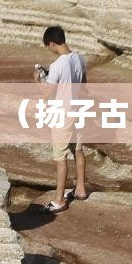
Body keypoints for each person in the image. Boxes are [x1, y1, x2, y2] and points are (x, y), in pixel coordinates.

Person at [34, 24, 87, 212]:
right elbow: (83, 85)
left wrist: (38, 80)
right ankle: (80, 189)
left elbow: (48, 94)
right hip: (78, 110)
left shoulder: (57, 65)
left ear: (51, 43)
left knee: (60, 157)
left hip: (62, 114)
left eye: (48, 46)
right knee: (78, 150)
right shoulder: (80, 59)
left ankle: (59, 200)